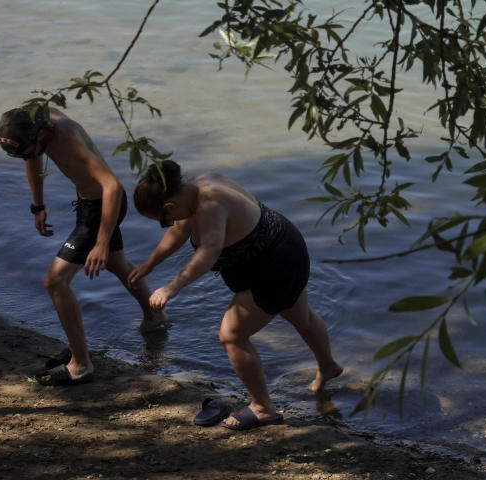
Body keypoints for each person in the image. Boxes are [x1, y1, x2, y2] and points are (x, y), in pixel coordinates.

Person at [128, 160, 343, 430]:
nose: (169, 223)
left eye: (163, 220)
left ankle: (263, 408)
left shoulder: (210, 204)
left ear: (169, 206)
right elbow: (179, 231)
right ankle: (328, 367)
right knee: (300, 316)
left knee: (231, 336)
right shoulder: (198, 185)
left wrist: (172, 287)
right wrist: (149, 265)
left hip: (273, 266)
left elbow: (209, 250)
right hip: (284, 247)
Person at [0, 105, 168, 386]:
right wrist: (38, 205)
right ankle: (155, 317)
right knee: (116, 262)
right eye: (24, 152)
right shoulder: (35, 126)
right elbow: (33, 157)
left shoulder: (66, 137)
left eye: (30, 149)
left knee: (55, 281)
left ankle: (81, 364)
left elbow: (112, 186)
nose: (30, 155)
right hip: (91, 203)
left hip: (103, 206)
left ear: (42, 133)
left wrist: (100, 242)